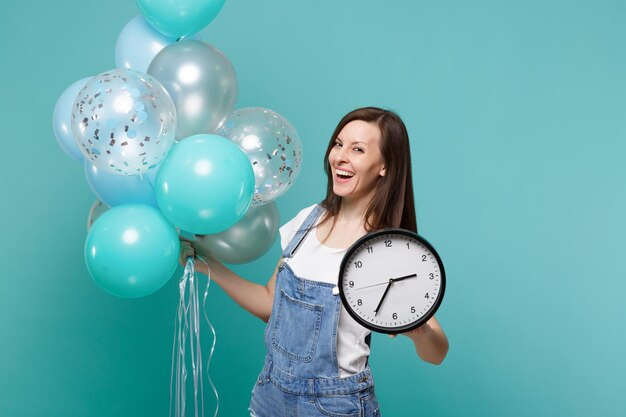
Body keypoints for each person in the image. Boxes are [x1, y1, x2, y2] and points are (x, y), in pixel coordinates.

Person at [180, 107, 449, 417]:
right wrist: (210, 265)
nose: (340, 157)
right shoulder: (308, 220)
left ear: (384, 166)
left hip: (335, 405)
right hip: (271, 394)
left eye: (358, 149)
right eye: (338, 144)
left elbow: (437, 353)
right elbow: (270, 305)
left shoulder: (388, 248)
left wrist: (421, 334)